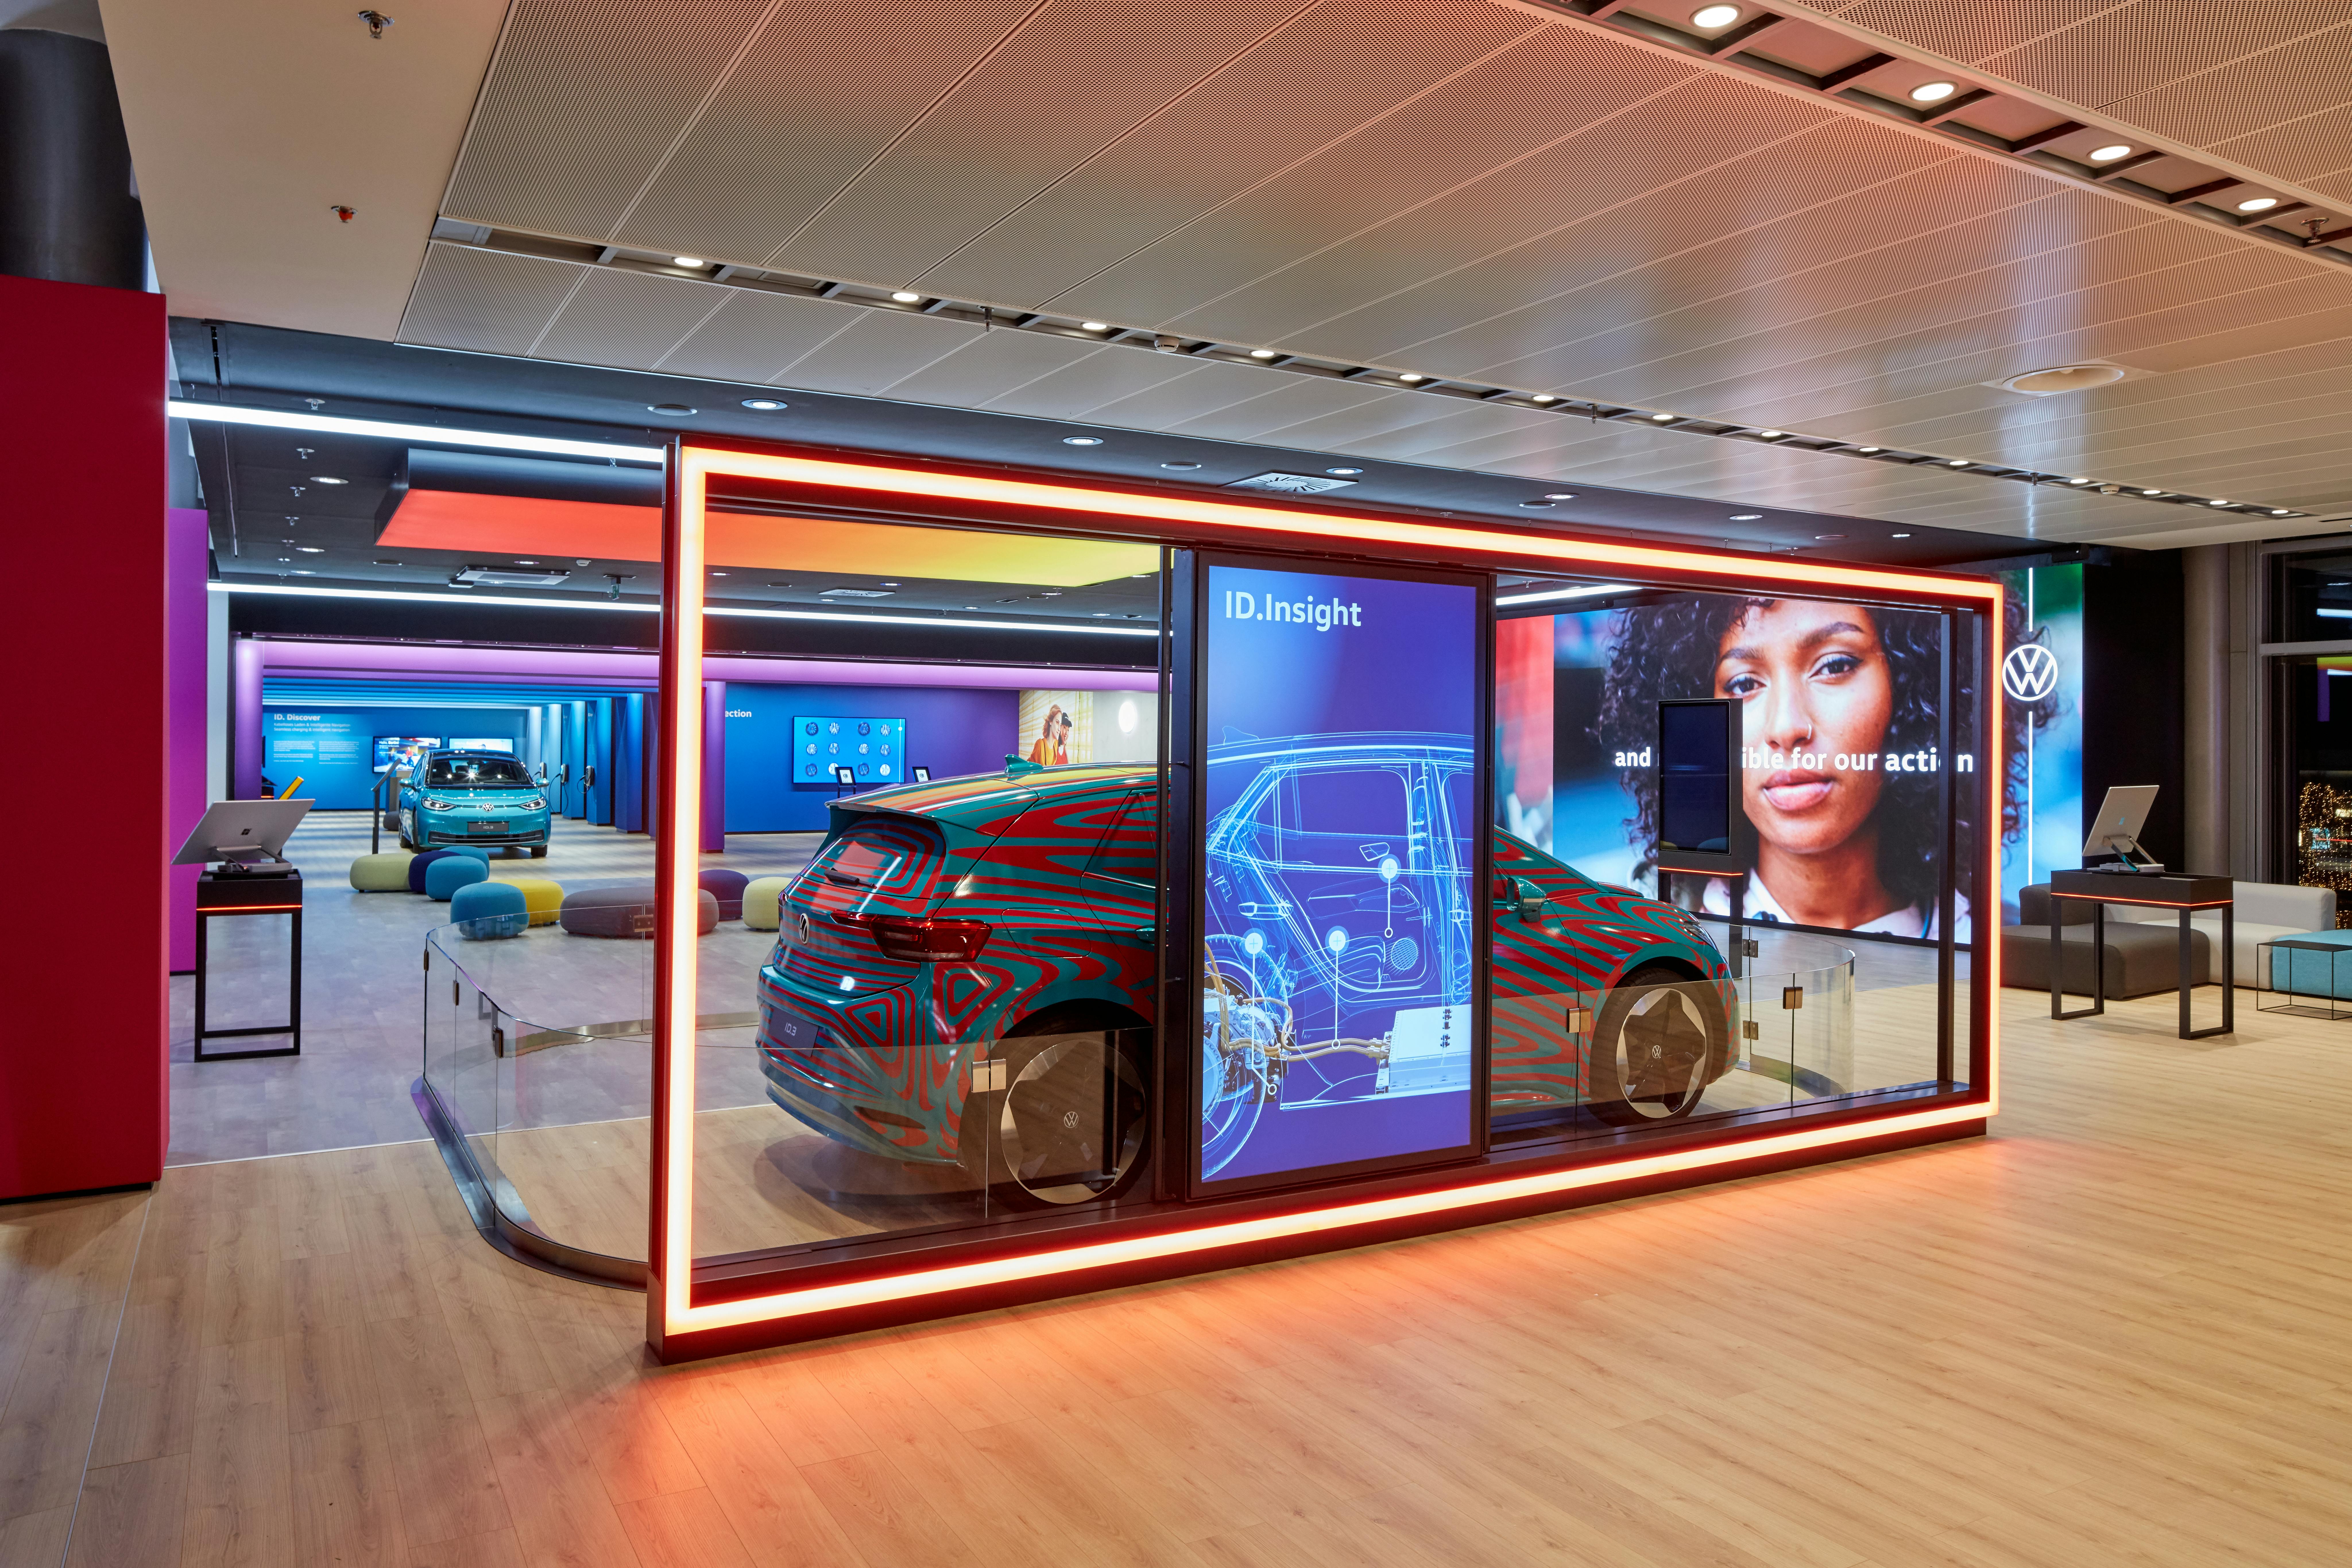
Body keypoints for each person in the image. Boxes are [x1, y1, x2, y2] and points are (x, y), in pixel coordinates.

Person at [1597, 592, 2052, 939]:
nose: (1787, 726)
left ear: (1919, 692)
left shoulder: (1999, 947)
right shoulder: (1647, 934)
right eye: (1743, 683)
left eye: (1834, 665)